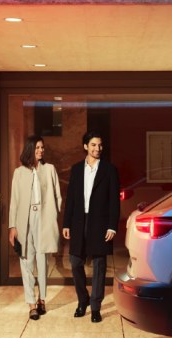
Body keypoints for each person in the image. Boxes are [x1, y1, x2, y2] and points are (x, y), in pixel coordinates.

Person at [62, 131, 120, 323]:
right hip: (79, 222)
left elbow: (114, 201)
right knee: (75, 262)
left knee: (99, 266)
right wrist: (67, 223)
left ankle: (95, 307)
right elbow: (70, 198)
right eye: (94, 145)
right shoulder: (77, 169)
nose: (97, 148)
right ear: (86, 146)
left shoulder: (109, 170)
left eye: (100, 145)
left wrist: (112, 226)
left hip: (100, 223)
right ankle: (82, 300)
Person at [8, 135, 63, 320]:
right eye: (37, 147)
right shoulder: (19, 172)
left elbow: (57, 196)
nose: (41, 150)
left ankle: (42, 299)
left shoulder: (49, 169)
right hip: (25, 220)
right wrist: (13, 226)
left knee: (42, 260)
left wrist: (55, 215)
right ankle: (31, 303)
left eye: (42, 148)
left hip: (44, 218)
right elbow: (14, 202)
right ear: (30, 149)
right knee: (26, 261)